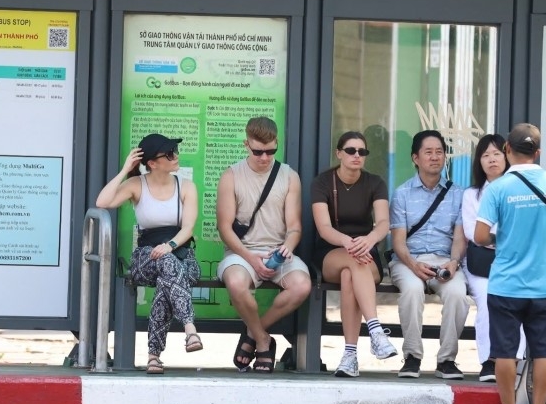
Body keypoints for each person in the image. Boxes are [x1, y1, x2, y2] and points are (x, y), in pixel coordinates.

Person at [476, 123, 546, 404]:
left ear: (507, 150)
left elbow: (479, 235)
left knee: (505, 352)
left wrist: (502, 237)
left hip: (506, 284)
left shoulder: (498, 188)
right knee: (543, 351)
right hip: (544, 285)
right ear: (539, 152)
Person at [94, 133, 201, 374]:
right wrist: (125, 170)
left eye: (175, 150)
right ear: (152, 163)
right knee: (166, 265)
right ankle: (189, 329)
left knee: (168, 277)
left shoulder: (186, 186)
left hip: (181, 254)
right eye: (170, 153)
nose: (176, 156)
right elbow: (103, 202)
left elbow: (188, 228)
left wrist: (170, 246)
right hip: (146, 256)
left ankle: (154, 356)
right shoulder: (136, 185)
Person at [215, 116, 311, 373]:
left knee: (302, 286)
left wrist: (288, 245)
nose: (265, 157)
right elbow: (224, 228)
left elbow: (294, 227)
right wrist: (249, 257)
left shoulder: (289, 176)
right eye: (258, 151)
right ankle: (263, 341)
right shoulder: (231, 175)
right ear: (246, 145)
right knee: (236, 283)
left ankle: (253, 332)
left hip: (278, 251)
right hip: (241, 252)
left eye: (271, 151)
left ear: (277, 143)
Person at [311, 131, 399, 377]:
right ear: (339, 153)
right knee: (352, 261)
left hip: (365, 253)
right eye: (351, 150)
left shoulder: (375, 182)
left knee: (351, 274)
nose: (357, 155)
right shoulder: (323, 183)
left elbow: (383, 222)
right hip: (332, 251)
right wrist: (348, 243)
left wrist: (369, 239)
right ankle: (376, 332)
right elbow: (324, 228)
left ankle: (350, 356)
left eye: (362, 151)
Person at [389, 129, 468, 380]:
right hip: (408, 259)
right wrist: (413, 265)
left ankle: (447, 360)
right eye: (428, 152)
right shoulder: (402, 194)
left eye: (439, 152)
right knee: (412, 290)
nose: (435, 157)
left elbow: (459, 238)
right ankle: (412, 357)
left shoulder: (458, 194)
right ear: (415, 158)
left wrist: (454, 263)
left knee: (457, 294)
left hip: (445, 259)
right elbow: (398, 241)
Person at [460, 133, 510, 383]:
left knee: (517, 300)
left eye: (496, 154)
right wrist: (501, 239)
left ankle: (514, 360)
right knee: (488, 299)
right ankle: (489, 362)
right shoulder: (472, 194)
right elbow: (471, 232)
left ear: (507, 156)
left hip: (513, 261)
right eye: (485, 155)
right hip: (481, 263)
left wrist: (494, 237)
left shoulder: (517, 189)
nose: (491, 159)